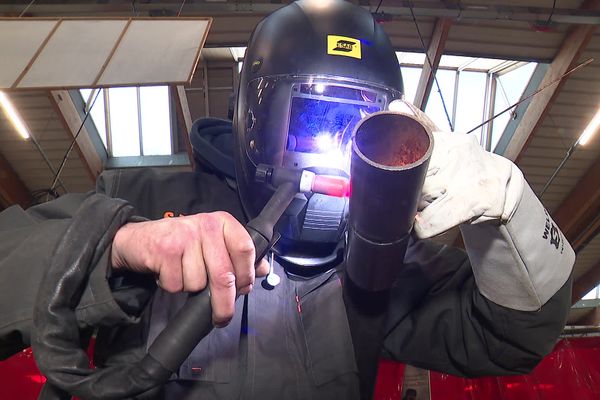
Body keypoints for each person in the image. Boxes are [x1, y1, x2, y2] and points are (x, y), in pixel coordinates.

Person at [0, 1, 574, 399]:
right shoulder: (146, 199)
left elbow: (509, 340)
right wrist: (118, 246)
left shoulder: (379, 265)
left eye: (356, 128)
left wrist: (511, 220)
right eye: (317, 119)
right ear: (254, 117)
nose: (334, 150)